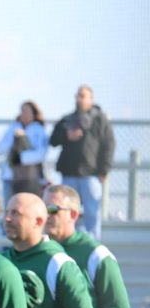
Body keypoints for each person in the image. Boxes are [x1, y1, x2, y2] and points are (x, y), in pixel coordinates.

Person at [49, 86, 115, 239]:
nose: (79, 98)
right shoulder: (67, 119)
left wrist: (104, 170)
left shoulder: (100, 119)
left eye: (83, 96)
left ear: (91, 99)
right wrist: (67, 135)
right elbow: (53, 140)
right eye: (78, 95)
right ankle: (71, 243)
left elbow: (109, 145)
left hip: (91, 176)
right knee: (68, 212)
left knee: (92, 212)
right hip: (69, 175)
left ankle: (92, 246)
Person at [0, 101, 49, 203]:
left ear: (34, 112)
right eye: (22, 110)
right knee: (10, 207)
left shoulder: (39, 130)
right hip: (10, 177)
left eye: (27, 110)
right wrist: (15, 139)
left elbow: (41, 154)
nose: (24, 113)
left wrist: (21, 158)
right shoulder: (13, 128)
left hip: (30, 179)